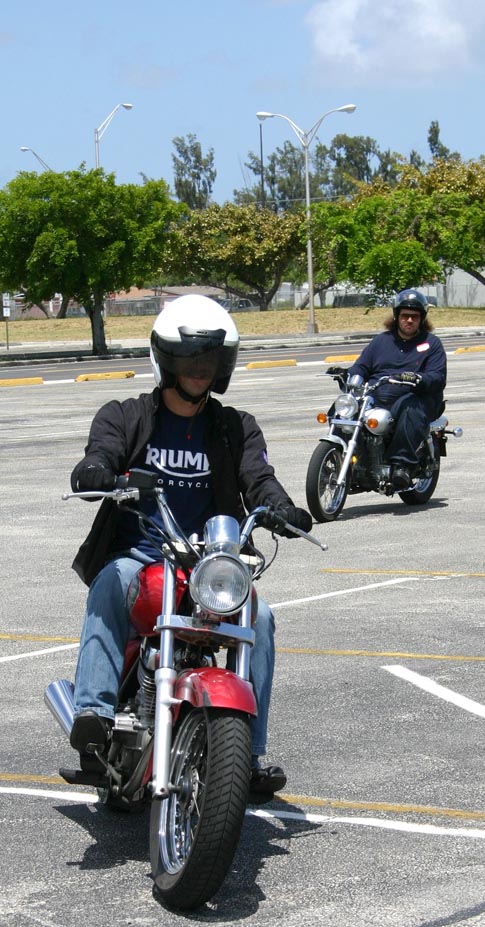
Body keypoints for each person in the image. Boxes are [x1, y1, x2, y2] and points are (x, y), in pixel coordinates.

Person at [68, 293, 313, 795]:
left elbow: (259, 477)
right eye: (189, 358)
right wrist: (97, 470)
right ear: (165, 360)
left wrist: (281, 507)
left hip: (210, 563)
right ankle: (93, 716)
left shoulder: (234, 427)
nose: (200, 369)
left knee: (261, 619)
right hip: (142, 554)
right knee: (111, 581)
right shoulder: (127, 415)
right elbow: (102, 452)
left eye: (210, 360)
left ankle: (248, 755)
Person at [346, 288, 447, 490]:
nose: (409, 320)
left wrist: (419, 379)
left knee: (408, 409)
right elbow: (362, 365)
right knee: (344, 408)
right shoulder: (381, 341)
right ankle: (343, 454)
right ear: (396, 316)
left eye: (414, 317)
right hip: (379, 393)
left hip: (418, 396)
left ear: (422, 318)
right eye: (405, 315)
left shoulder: (432, 344)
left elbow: (438, 376)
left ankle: (402, 465)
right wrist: (351, 375)